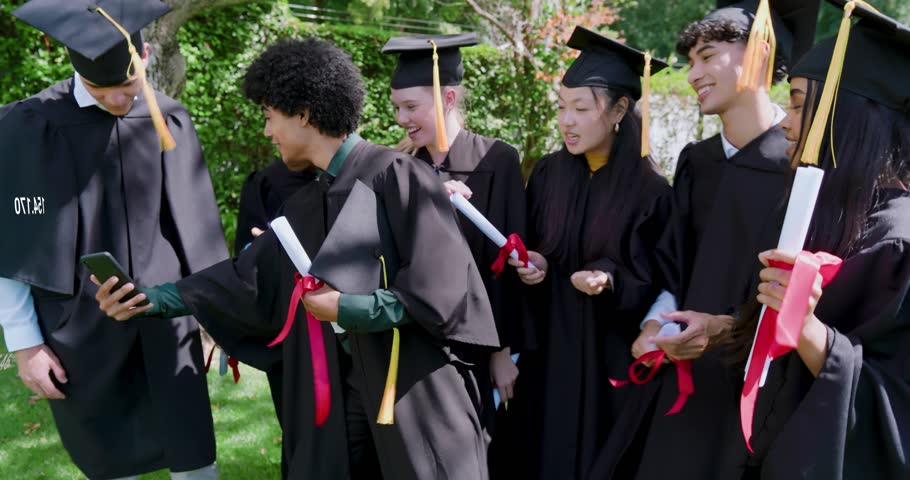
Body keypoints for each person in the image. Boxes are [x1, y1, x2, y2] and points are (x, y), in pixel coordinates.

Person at [95, 37, 500, 480]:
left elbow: (440, 292)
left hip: (415, 394)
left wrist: (346, 308)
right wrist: (150, 299)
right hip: (346, 397)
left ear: (303, 114)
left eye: (270, 118)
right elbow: (243, 279)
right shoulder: (310, 203)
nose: (267, 132)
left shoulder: (399, 177)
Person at [589, 1, 819, 478]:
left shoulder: (801, 168)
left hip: (755, 382)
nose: (693, 73)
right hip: (683, 374)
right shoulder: (698, 161)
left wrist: (724, 328)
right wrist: (657, 326)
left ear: (759, 54)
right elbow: (673, 261)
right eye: (690, 60)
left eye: (708, 56)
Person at [0, 1, 226, 479]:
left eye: (127, 88)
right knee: (107, 462)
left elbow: (199, 230)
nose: (121, 103)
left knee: (193, 457)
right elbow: (13, 244)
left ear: (144, 55)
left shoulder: (169, 118)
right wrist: (24, 343)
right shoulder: (29, 126)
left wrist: (212, 322)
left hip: (165, 320)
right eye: (104, 92)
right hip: (77, 332)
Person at [734, 2, 910, 478]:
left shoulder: (898, 241)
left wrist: (809, 329)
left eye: (796, 103)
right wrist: (720, 330)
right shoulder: (835, 215)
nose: (786, 122)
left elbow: (893, 410)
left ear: (847, 115)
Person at [498, 26, 672, 479]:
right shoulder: (549, 175)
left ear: (618, 111)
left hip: (607, 361)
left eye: (580, 108)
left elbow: (663, 275)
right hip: (547, 355)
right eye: (561, 107)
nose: (566, 121)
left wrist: (611, 278)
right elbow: (536, 249)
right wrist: (534, 264)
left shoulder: (649, 190)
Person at [381, 33, 530, 431]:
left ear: (448, 98)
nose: (401, 119)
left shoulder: (496, 160)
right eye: (397, 107)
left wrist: (501, 350)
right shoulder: (398, 166)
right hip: (414, 339)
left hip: (477, 343)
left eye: (411, 106)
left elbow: (506, 265)